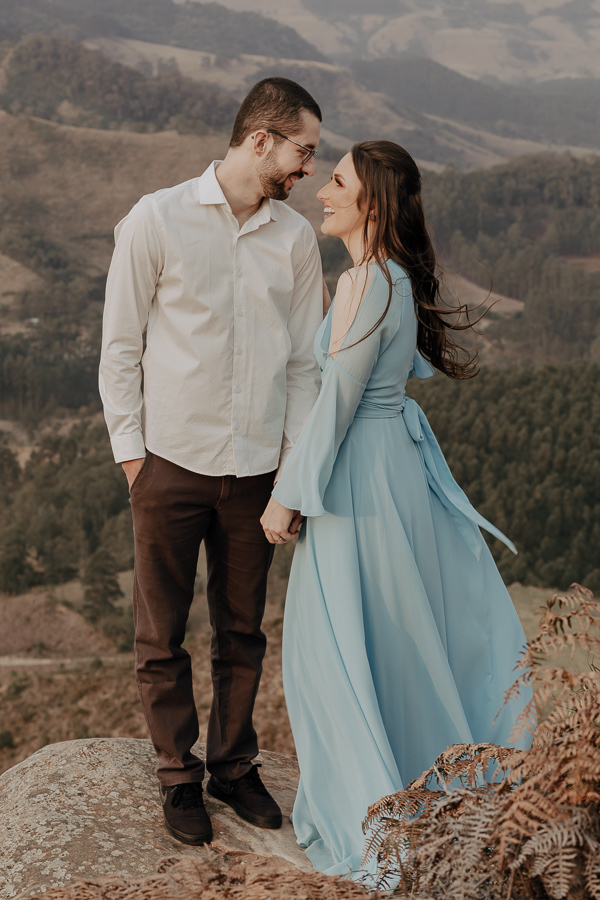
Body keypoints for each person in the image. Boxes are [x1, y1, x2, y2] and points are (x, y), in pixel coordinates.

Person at [260, 141, 532, 881]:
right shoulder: (389, 278)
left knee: (335, 646)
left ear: (372, 202)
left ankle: (374, 812)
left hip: (360, 477)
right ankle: (404, 795)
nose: (322, 190)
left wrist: (289, 495)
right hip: (387, 468)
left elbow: (338, 402)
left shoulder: (367, 283)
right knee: (381, 637)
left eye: (338, 181)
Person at [99, 77, 324, 846]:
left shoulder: (294, 241)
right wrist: (135, 460)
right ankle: (176, 777)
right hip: (167, 466)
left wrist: (289, 478)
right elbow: (120, 348)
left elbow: (304, 367)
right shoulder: (155, 220)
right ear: (261, 139)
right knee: (162, 634)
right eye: (303, 151)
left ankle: (233, 766)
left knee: (242, 632)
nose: (308, 171)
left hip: (257, 475)